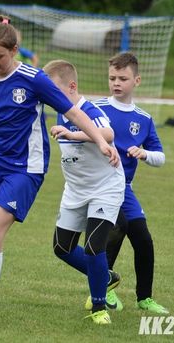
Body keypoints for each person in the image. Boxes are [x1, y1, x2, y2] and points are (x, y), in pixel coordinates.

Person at [0, 15, 120, 330]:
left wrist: (99, 139)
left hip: (25, 169)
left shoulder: (33, 79)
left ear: (15, 50)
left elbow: (73, 111)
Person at [86, 52, 169, 314]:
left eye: (123, 78)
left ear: (137, 81)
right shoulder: (96, 109)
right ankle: (100, 293)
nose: (116, 83)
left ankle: (144, 298)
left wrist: (144, 153)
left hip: (124, 189)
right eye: (112, 78)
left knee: (143, 239)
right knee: (114, 231)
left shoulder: (143, 118)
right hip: (100, 186)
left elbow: (161, 156)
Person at [44, 60, 125, 325]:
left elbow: (108, 132)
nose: (50, 94)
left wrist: (72, 133)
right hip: (76, 191)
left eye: (54, 88)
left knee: (93, 247)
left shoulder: (87, 109)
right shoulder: (59, 110)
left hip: (105, 188)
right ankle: (106, 277)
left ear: (72, 86)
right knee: (61, 247)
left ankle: (99, 308)